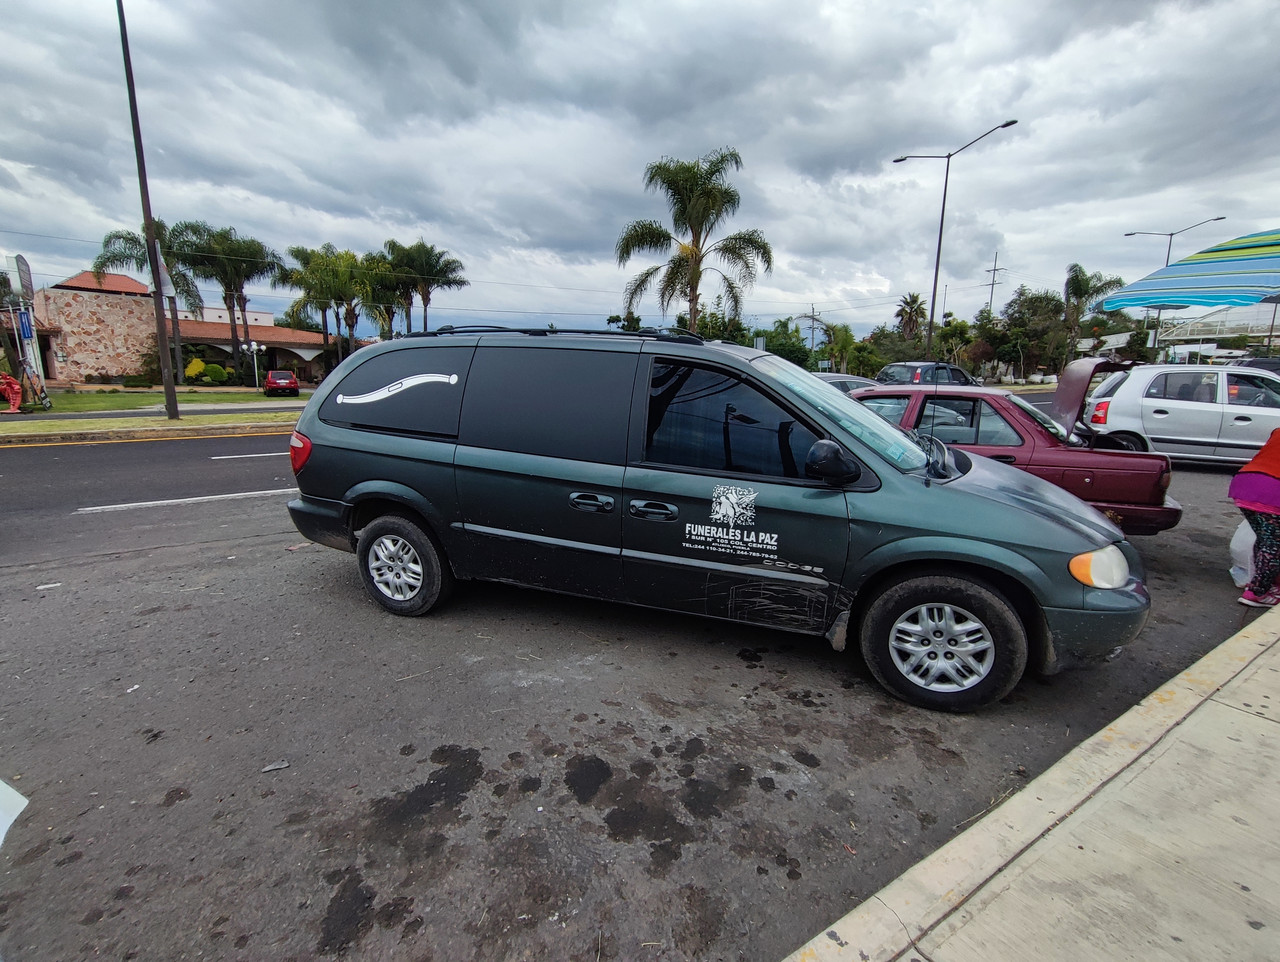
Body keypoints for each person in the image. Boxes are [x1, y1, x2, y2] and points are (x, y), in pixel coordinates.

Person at [1229, 427, 1280, 606]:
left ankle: (1264, 584)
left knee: (1266, 540)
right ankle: (1258, 592)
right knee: (1273, 545)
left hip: (1246, 482)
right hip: (1272, 489)